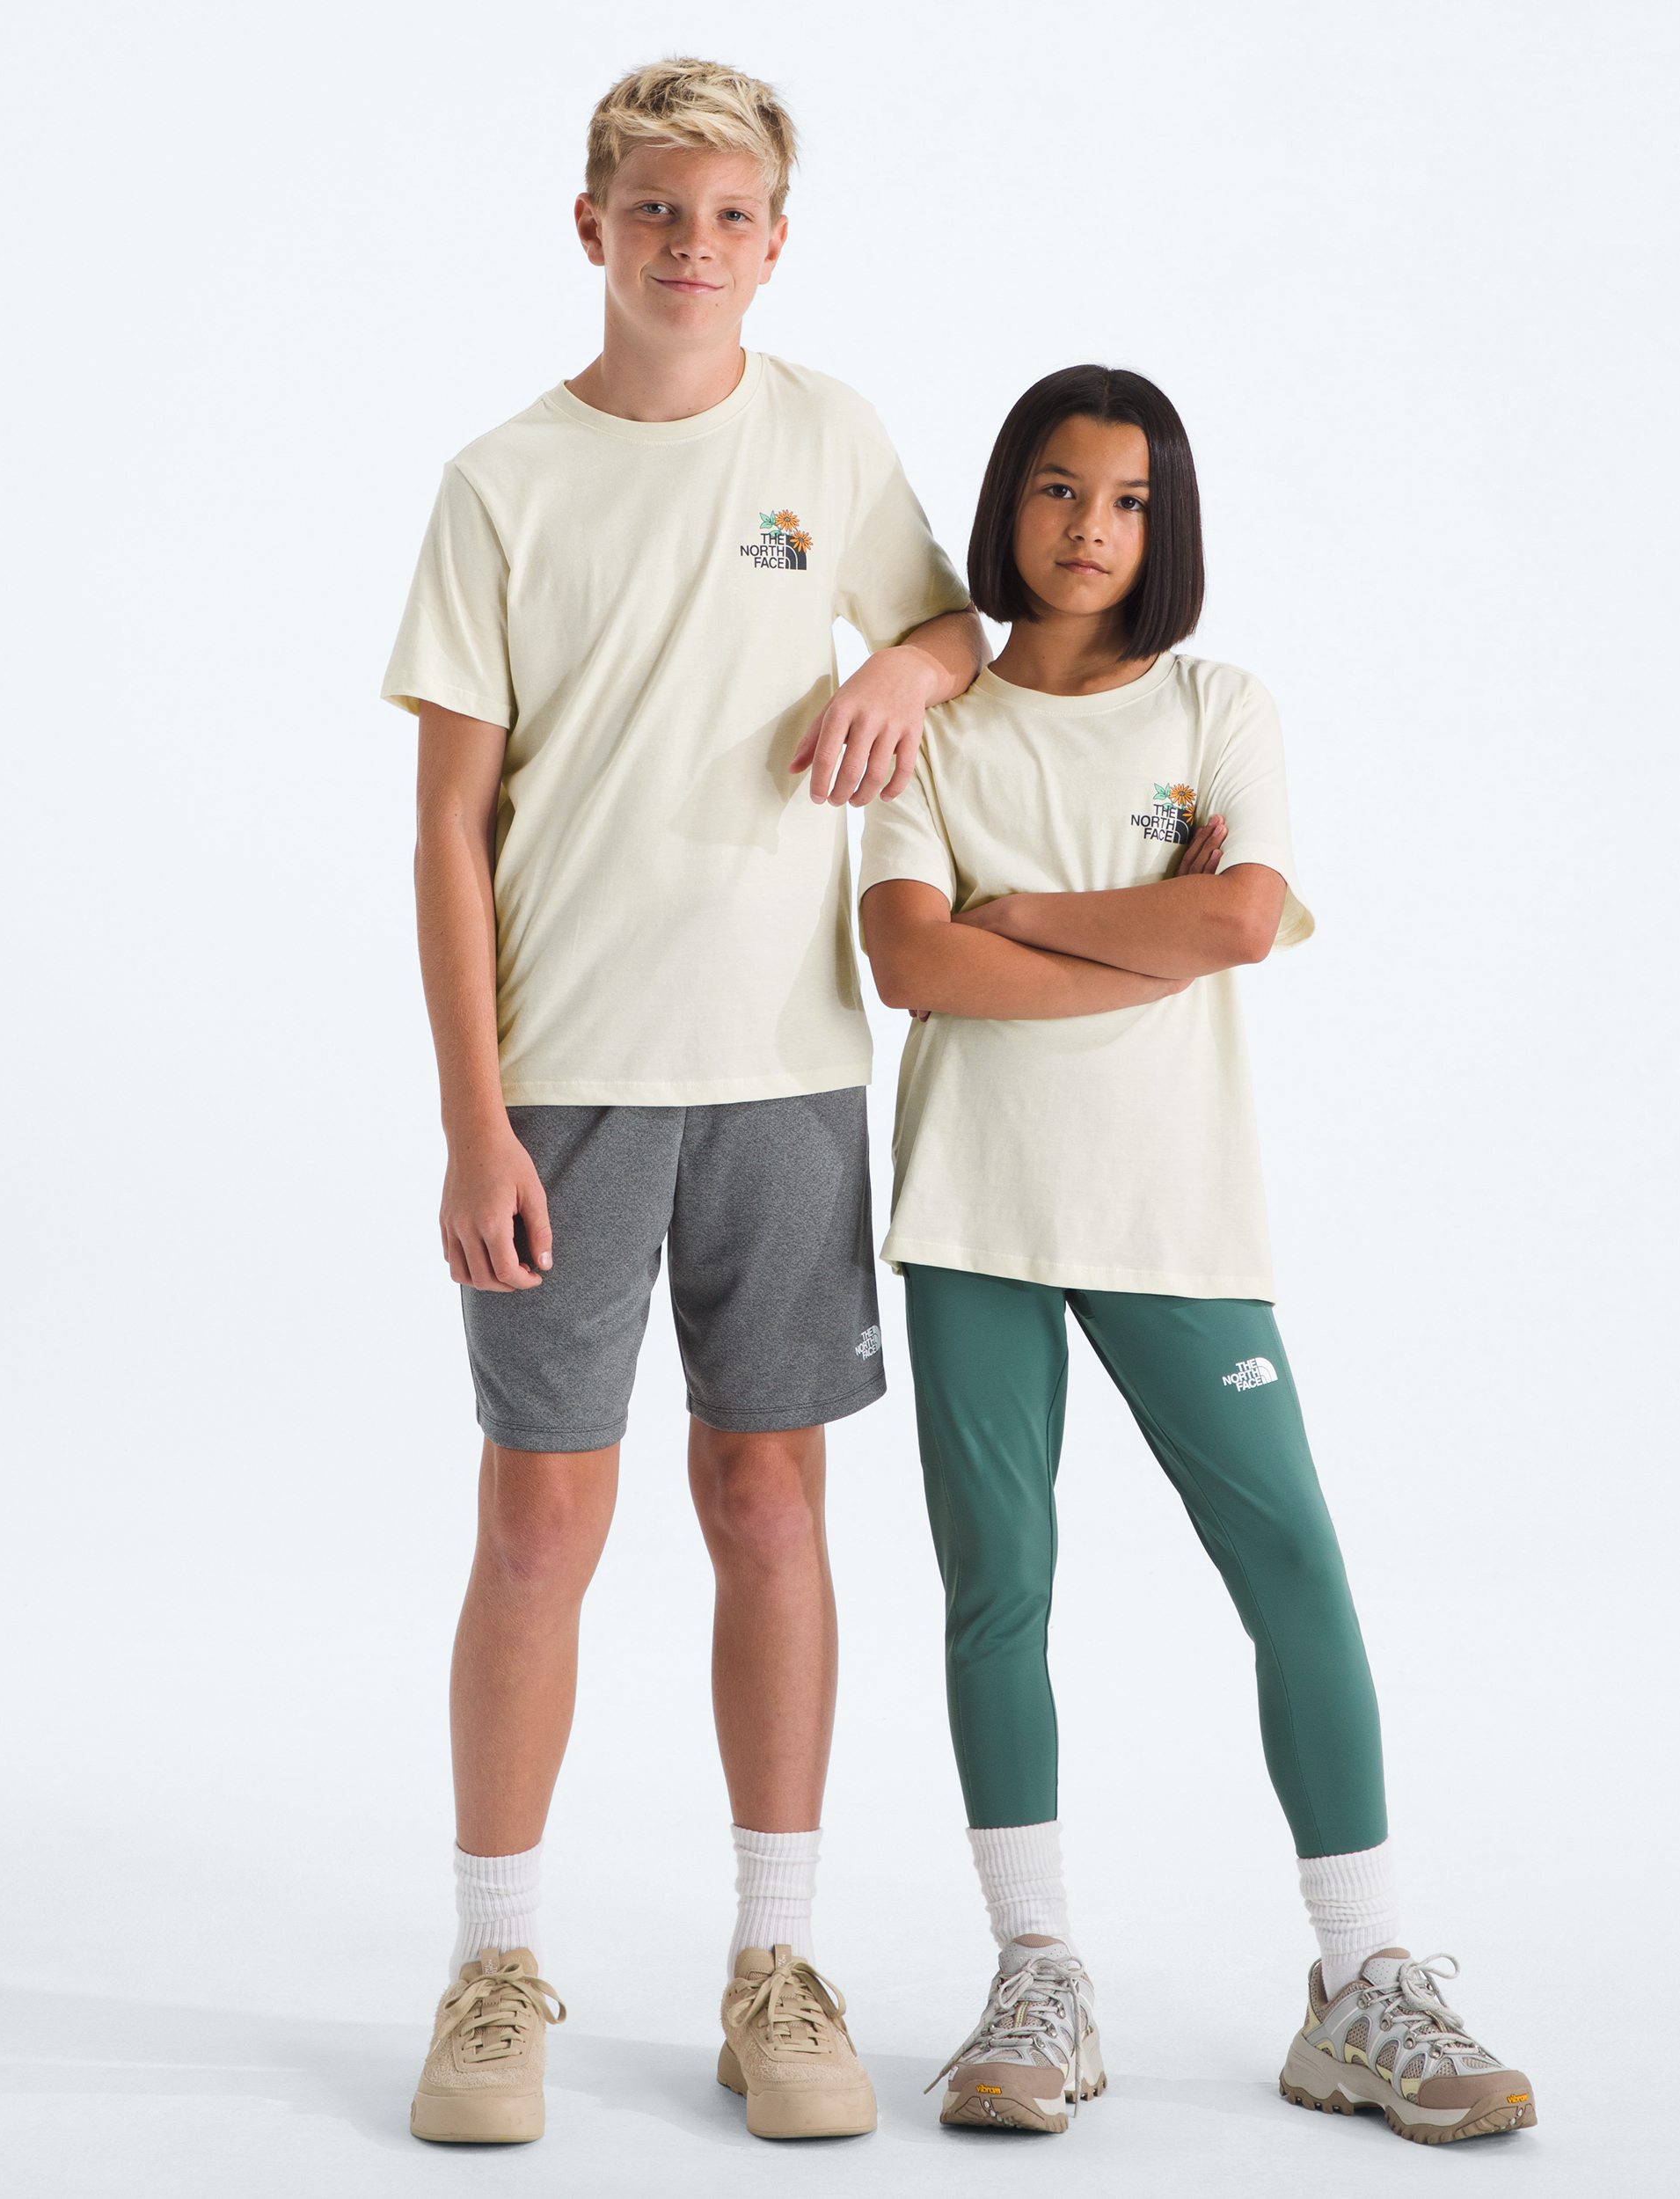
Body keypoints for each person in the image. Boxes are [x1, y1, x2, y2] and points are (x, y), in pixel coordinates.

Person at [381, 57, 984, 2146]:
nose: (692, 246)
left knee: (770, 1506)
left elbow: (949, 620)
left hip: (789, 1072)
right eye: (656, 211)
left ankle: (774, 1962)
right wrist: (471, 1120)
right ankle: (491, 1970)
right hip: (567, 1085)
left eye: (729, 216)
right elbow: (445, 826)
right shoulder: (502, 481)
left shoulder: (825, 433)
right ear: (592, 226)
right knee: (538, 1522)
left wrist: (899, 667)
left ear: (775, 242)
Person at [858, 365, 1536, 2145]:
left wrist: (1024, 914)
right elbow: (910, 962)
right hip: (975, 1213)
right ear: (1007, 502)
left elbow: (1238, 918)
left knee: (1291, 1560)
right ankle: (1033, 1971)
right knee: (998, 1585)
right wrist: (1131, 939)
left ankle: (1365, 1978)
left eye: (1130, 499)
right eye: (1059, 488)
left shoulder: (1218, 704)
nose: (1091, 527)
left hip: (1174, 1210)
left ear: (1166, 524)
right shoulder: (937, 728)